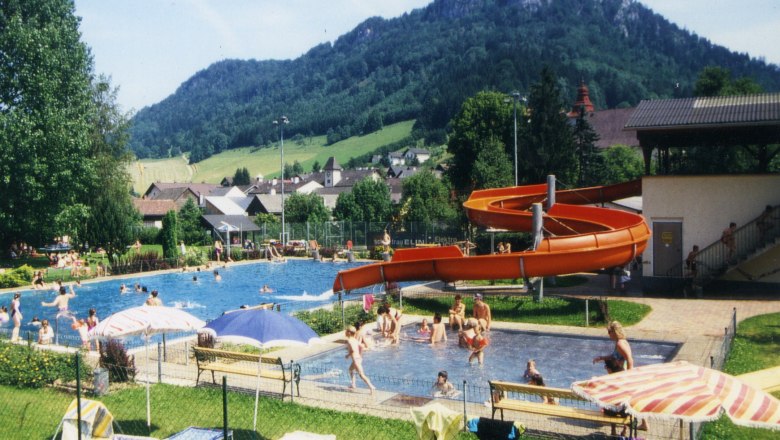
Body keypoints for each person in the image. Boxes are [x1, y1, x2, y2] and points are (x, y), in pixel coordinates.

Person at [345, 325, 375, 394]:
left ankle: (371, 386)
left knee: (361, 375)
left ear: (349, 333)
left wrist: (348, 355)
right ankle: (353, 384)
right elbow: (362, 347)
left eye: (346, 331)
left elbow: (352, 350)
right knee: (350, 370)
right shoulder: (355, 340)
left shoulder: (349, 341)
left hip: (356, 360)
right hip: (358, 358)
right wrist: (360, 355)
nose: (345, 332)